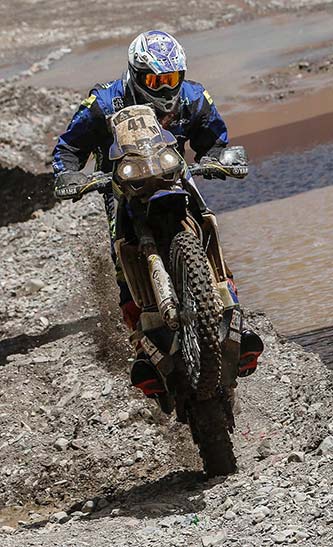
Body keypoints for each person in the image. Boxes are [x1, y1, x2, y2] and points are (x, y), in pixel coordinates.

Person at [52, 30, 263, 397]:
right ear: (136, 74)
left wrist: (218, 158)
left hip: (173, 177)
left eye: (171, 79)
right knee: (123, 257)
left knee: (206, 225)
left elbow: (214, 140)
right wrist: (68, 175)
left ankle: (234, 321)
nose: (165, 87)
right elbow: (68, 148)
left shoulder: (194, 97)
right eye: (155, 81)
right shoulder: (104, 101)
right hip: (122, 185)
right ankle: (143, 350)